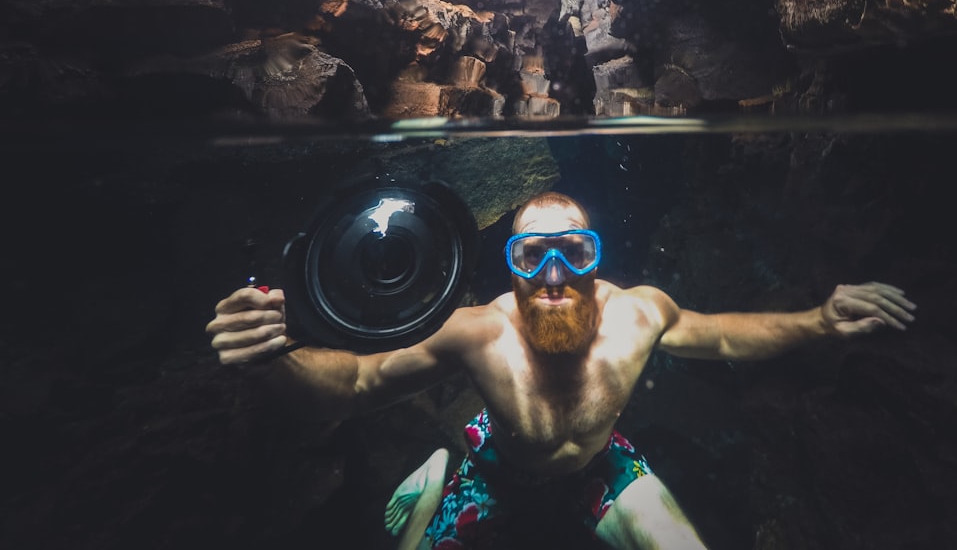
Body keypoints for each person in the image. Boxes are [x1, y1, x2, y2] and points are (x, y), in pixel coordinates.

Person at [207, 191, 916, 549]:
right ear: (508, 267)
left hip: (599, 467)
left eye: (573, 252)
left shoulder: (639, 315)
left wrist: (820, 320)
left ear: (596, 257)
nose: (553, 275)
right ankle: (443, 460)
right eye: (530, 256)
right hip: (496, 471)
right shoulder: (479, 331)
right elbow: (357, 384)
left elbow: (724, 337)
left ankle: (444, 451)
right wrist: (272, 358)